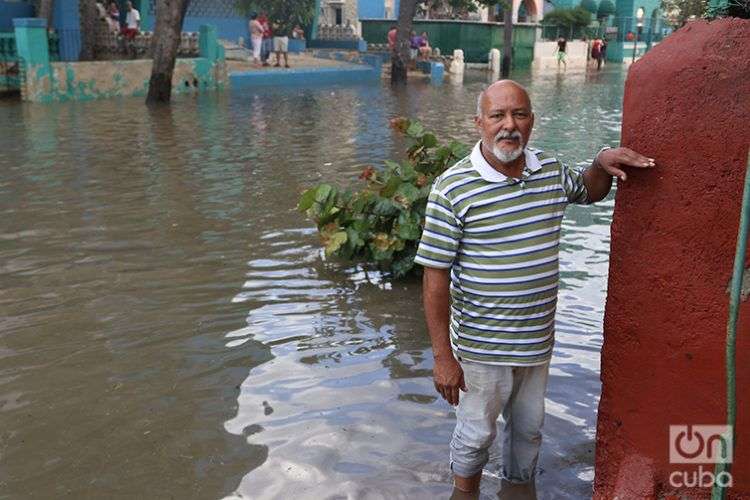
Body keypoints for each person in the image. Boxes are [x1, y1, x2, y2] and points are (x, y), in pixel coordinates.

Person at [415, 80, 655, 496]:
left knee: (529, 434)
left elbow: (590, 190)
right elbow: (435, 278)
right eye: (497, 116)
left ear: (532, 121)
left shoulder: (550, 172)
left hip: (536, 345)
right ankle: (464, 493)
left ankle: (518, 491)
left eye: (519, 114)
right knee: (475, 437)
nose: (509, 126)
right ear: (479, 123)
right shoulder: (452, 189)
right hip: (481, 349)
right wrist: (442, 358)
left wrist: (601, 161)